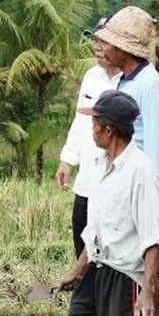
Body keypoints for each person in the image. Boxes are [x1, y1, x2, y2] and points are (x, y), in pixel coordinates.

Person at [57, 90, 159, 316]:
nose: (91, 129)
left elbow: (153, 239)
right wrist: (78, 267)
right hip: (96, 269)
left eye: (95, 123)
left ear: (108, 130)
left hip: (124, 277)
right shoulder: (98, 165)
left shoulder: (139, 170)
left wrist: (148, 292)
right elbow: (95, 228)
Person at [88, 6, 159, 212]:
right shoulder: (127, 81)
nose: (101, 49)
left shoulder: (149, 85)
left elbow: (157, 143)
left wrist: (154, 196)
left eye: (106, 43)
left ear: (122, 48)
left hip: (141, 192)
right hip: (124, 185)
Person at [56, 15, 122, 257]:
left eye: (105, 41)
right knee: (81, 235)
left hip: (114, 180)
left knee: (108, 248)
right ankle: (85, 292)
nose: (97, 47)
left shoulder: (130, 82)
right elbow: (80, 120)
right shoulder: (91, 76)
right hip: (86, 177)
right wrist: (67, 159)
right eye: (96, 40)